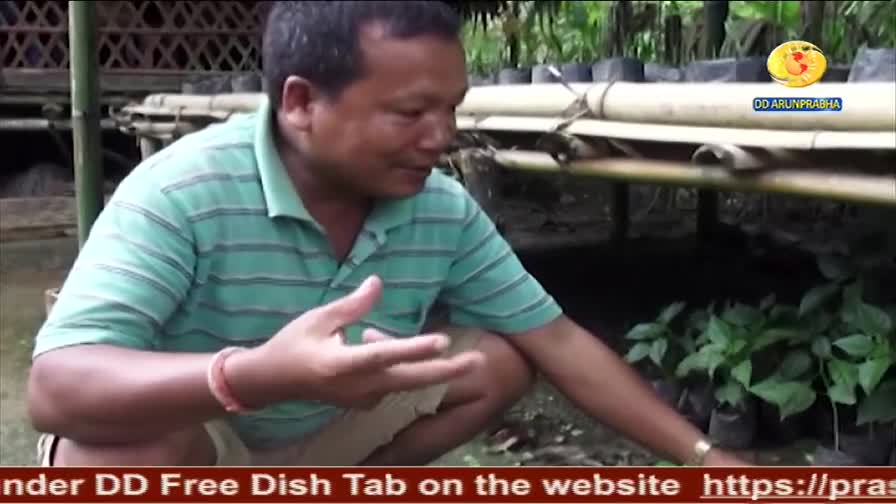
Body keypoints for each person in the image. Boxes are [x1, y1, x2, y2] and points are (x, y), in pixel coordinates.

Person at [27, 1, 746, 467]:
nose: (444, 136)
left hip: (322, 436)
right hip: (201, 441)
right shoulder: (182, 191)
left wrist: (706, 457)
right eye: (410, 113)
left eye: (452, 107)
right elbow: (56, 390)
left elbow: (555, 341)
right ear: (302, 103)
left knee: (495, 360)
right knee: (120, 452)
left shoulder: (440, 207)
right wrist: (257, 375)